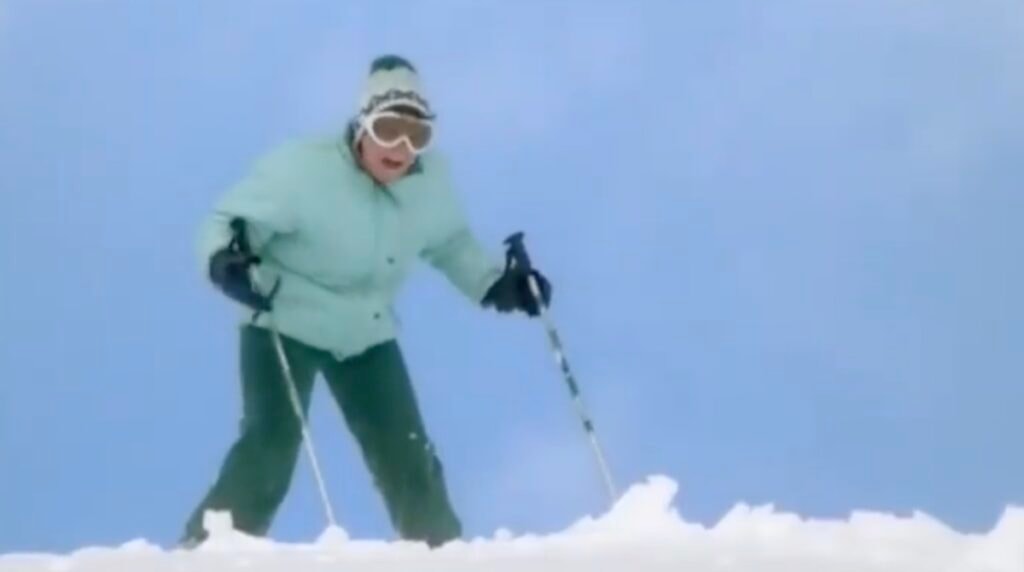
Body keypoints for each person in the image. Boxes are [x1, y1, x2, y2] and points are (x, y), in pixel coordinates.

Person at [181, 54, 551, 548]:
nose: (401, 148)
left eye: (417, 136)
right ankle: (206, 552)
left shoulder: (429, 184)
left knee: (408, 455)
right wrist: (224, 259)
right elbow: (227, 220)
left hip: (366, 332)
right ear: (362, 123)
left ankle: (440, 553)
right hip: (282, 318)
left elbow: (452, 244)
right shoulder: (303, 170)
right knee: (271, 444)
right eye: (388, 128)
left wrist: (496, 284)